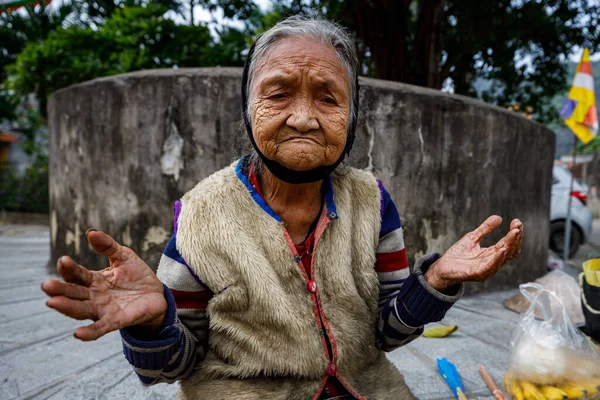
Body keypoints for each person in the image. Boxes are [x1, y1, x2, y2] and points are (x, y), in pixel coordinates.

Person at [41, 16, 524, 400]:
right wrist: (152, 324)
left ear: (352, 118)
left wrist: (437, 281)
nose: (303, 118)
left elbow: (387, 333)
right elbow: (175, 367)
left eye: (328, 98)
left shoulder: (372, 201)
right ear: (248, 108)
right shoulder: (200, 214)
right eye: (278, 94)